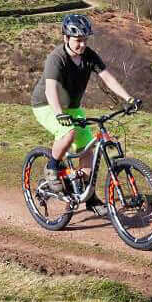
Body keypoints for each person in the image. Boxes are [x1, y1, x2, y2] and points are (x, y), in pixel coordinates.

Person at [30, 14, 138, 192]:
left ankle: (87, 194)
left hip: (72, 107)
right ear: (66, 37)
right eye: (78, 40)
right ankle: (52, 167)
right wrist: (58, 114)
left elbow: (107, 78)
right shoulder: (56, 58)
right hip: (46, 105)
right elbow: (50, 90)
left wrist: (129, 98)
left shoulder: (89, 56)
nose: (82, 44)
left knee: (88, 149)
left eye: (85, 40)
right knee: (68, 133)